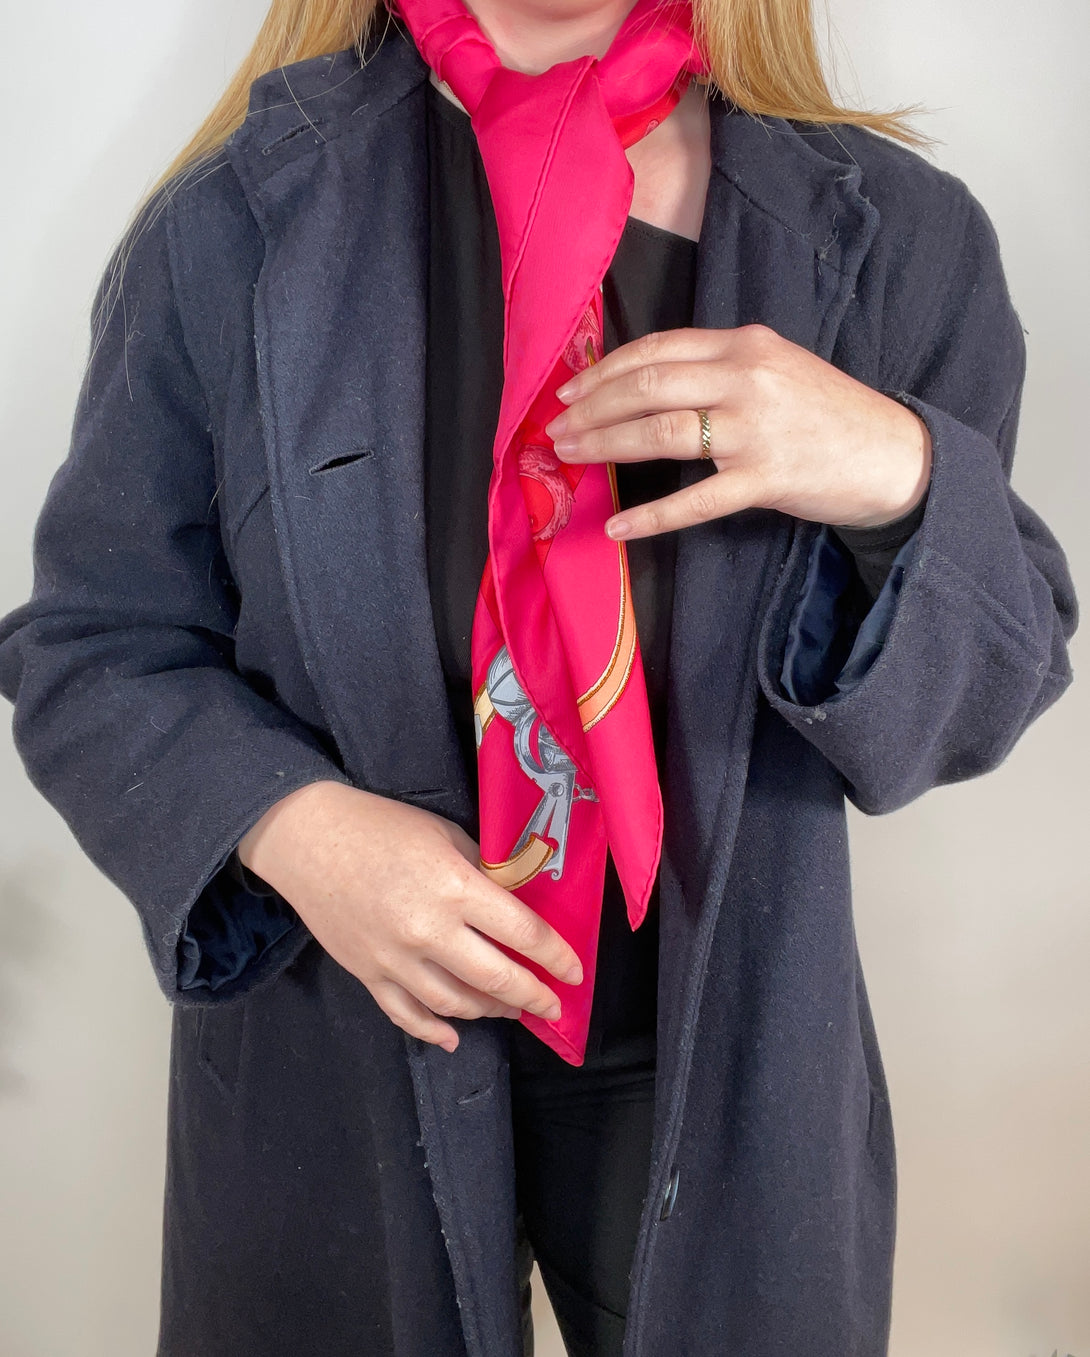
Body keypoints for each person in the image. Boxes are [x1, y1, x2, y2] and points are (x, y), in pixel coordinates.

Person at [0, 0, 1078, 1354]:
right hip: (344, 1050)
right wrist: (299, 831)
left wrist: (895, 472)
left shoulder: (898, 238)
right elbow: (95, 648)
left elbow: (983, 695)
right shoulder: (229, 225)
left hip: (722, 1080)